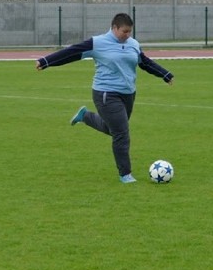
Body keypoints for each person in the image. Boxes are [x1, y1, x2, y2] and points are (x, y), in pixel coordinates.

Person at [35, 13, 174, 183]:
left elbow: (144, 62)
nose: (127, 35)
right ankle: (125, 174)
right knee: (122, 133)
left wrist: (165, 74)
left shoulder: (133, 44)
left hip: (128, 93)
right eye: (124, 31)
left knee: (113, 130)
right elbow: (72, 52)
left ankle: (85, 116)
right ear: (114, 28)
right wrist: (46, 61)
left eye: (130, 32)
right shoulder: (98, 43)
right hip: (106, 94)